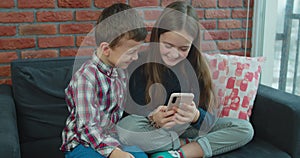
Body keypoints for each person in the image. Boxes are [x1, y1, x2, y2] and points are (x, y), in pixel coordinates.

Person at [117, 1, 254, 158]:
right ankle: (185, 145)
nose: (174, 54)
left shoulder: (197, 68)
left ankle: (178, 154)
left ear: (192, 46)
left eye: (183, 49)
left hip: (186, 127)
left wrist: (195, 115)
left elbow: (208, 122)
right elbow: (128, 115)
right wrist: (153, 118)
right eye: (168, 45)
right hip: (152, 130)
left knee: (245, 129)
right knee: (125, 129)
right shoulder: (138, 64)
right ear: (157, 37)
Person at [60, 3, 148, 158]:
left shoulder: (120, 71)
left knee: (140, 156)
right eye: (131, 52)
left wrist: (152, 116)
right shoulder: (85, 78)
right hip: (83, 143)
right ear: (106, 49)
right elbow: (87, 128)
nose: (135, 58)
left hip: (110, 138)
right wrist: (114, 152)